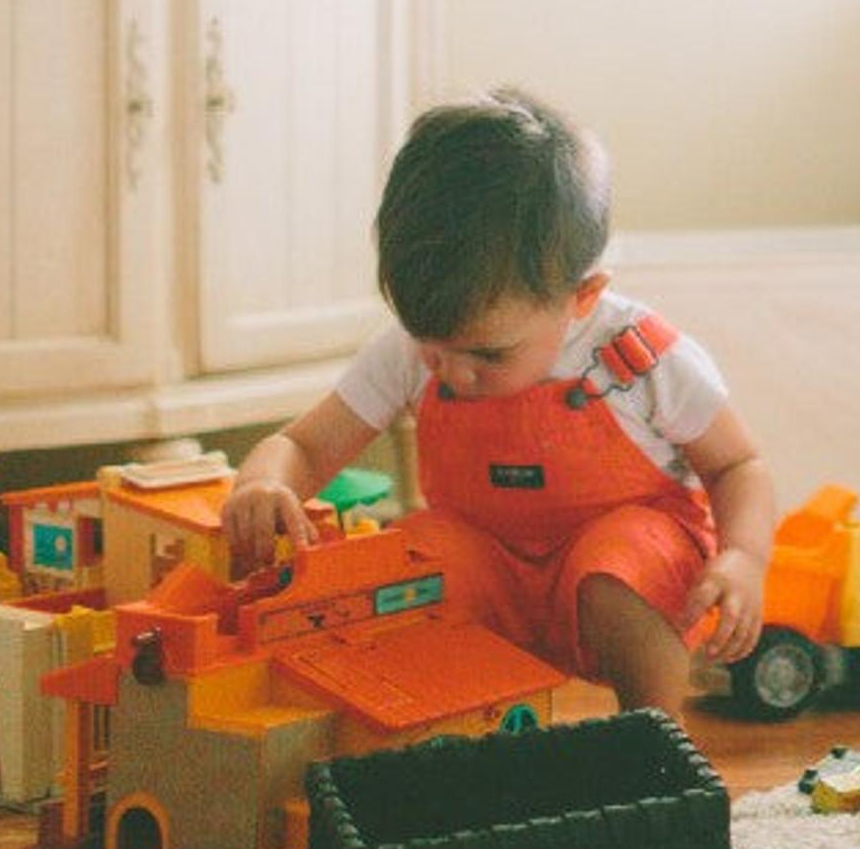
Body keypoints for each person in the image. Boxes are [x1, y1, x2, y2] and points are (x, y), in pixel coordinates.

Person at [218, 90, 779, 715]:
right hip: (488, 561)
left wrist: (743, 557)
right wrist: (263, 483)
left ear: (582, 297)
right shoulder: (411, 350)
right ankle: (443, 727)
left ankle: (652, 736)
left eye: (488, 355)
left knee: (615, 564)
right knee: (406, 563)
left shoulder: (639, 356)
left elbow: (738, 465)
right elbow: (302, 445)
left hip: (624, 565)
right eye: (432, 346)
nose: (454, 371)